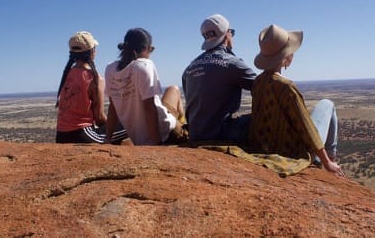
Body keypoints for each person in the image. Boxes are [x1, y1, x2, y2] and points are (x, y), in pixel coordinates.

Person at [248, 24, 344, 176]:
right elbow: (306, 127)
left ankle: (326, 160)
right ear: (285, 56)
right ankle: (331, 160)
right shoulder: (286, 87)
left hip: (268, 146)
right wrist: (327, 162)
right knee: (327, 104)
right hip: (294, 149)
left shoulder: (258, 82)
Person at [105, 28, 187, 145]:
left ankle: (181, 121)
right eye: (151, 50)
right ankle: (183, 126)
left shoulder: (110, 69)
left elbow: (112, 108)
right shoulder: (144, 65)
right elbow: (149, 107)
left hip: (139, 137)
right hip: (166, 133)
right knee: (175, 90)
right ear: (147, 48)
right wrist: (157, 144)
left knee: (173, 89)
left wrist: (107, 138)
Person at [182, 14, 257, 142]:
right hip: (221, 134)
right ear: (227, 34)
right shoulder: (232, 63)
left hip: (195, 134)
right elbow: (262, 87)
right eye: (231, 32)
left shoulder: (189, 68)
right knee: (259, 118)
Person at [55, 31, 128, 144]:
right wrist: (113, 123)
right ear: (92, 51)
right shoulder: (95, 78)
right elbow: (99, 118)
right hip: (81, 135)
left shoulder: (67, 74)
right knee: (131, 125)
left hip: (60, 136)